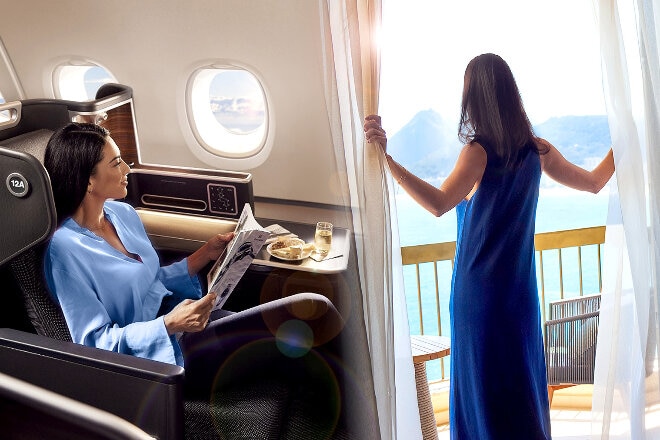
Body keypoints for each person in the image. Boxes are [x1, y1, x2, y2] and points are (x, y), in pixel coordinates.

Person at [364, 53, 615, 439]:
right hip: (519, 295)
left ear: (475, 98)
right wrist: (631, 139)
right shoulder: (538, 151)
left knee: (482, 386)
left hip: (478, 294)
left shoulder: (478, 152)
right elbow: (596, 182)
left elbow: (437, 204)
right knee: (519, 382)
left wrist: (388, 162)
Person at [43, 122, 343, 395]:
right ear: (88, 181)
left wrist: (205, 255)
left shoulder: (122, 213)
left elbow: (149, 282)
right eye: (116, 163)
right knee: (311, 308)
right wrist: (168, 325)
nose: (127, 170)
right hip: (161, 357)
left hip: (187, 323)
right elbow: (94, 343)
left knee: (297, 341)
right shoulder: (64, 252)